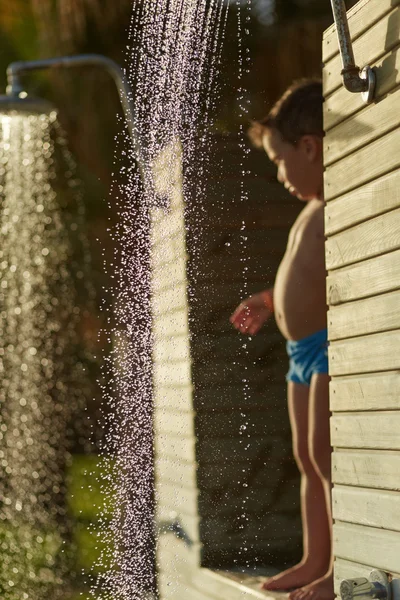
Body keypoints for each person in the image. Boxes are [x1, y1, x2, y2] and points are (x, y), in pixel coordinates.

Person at [230, 79, 333, 600]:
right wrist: (269, 301)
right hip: (300, 353)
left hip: (326, 348)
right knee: (306, 457)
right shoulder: (308, 211)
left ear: (309, 147)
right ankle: (314, 558)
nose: (278, 172)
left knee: (325, 452)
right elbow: (303, 277)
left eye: (278, 158)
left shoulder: (335, 205)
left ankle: (338, 567)